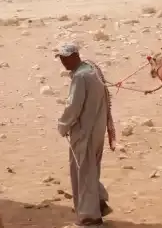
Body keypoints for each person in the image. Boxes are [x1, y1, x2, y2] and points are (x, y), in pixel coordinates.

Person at [56, 42, 114, 226]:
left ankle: (90, 216)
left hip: (84, 132)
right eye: (61, 59)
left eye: (66, 58)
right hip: (97, 129)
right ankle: (98, 203)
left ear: (75, 56)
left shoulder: (80, 77)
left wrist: (62, 125)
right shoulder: (93, 68)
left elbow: (73, 107)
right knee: (91, 170)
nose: (63, 62)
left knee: (83, 172)